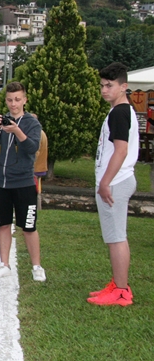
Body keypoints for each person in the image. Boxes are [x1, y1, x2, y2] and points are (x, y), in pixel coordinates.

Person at [0, 82, 46, 282]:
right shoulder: (0, 121)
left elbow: (32, 147)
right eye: (10, 100)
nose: (13, 104)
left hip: (23, 183)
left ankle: (37, 266)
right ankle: (4, 263)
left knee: (28, 226)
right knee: (2, 224)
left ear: (24, 100)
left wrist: (17, 131)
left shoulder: (32, 123)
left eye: (17, 99)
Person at [88, 62, 139, 306]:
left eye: (109, 85)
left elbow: (121, 150)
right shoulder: (118, 111)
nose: (104, 90)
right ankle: (118, 283)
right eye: (102, 85)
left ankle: (121, 291)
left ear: (123, 86)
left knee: (116, 237)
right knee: (114, 236)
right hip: (115, 180)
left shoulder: (120, 112)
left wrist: (105, 182)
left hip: (116, 181)